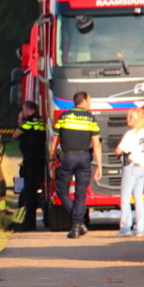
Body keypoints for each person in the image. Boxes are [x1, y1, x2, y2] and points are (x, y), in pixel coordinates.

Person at [49, 91, 103, 239]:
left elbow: (54, 140)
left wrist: (52, 159)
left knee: (62, 190)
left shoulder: (64, 116)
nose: (90, 103)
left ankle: (77, 224)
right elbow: (96, 145)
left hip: (67, 157)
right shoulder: (91, 118)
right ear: (83, 101)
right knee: (81, 193)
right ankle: (78, 223)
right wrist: (99, 166)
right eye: (89, 100)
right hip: (84, 157)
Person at [115, 108, 144, 237]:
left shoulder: (131, 134)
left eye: (129, 117)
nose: (127, 119)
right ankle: (139, 228)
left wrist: (117, 151)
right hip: (143, 167)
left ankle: (125, 227)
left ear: (135, 119)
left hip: (132, 166)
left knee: (125, 198)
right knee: (138, 198)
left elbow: (119, 150)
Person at [13, 101, 47, 231]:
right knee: (33, 190)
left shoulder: (28, 122)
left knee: (29, 192)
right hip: (40, 160)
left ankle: (29, 222)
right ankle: (29, 220)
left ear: (26, 109)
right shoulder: (41, 121)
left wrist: (21, 122)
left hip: (30, 161)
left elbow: (15, 135)